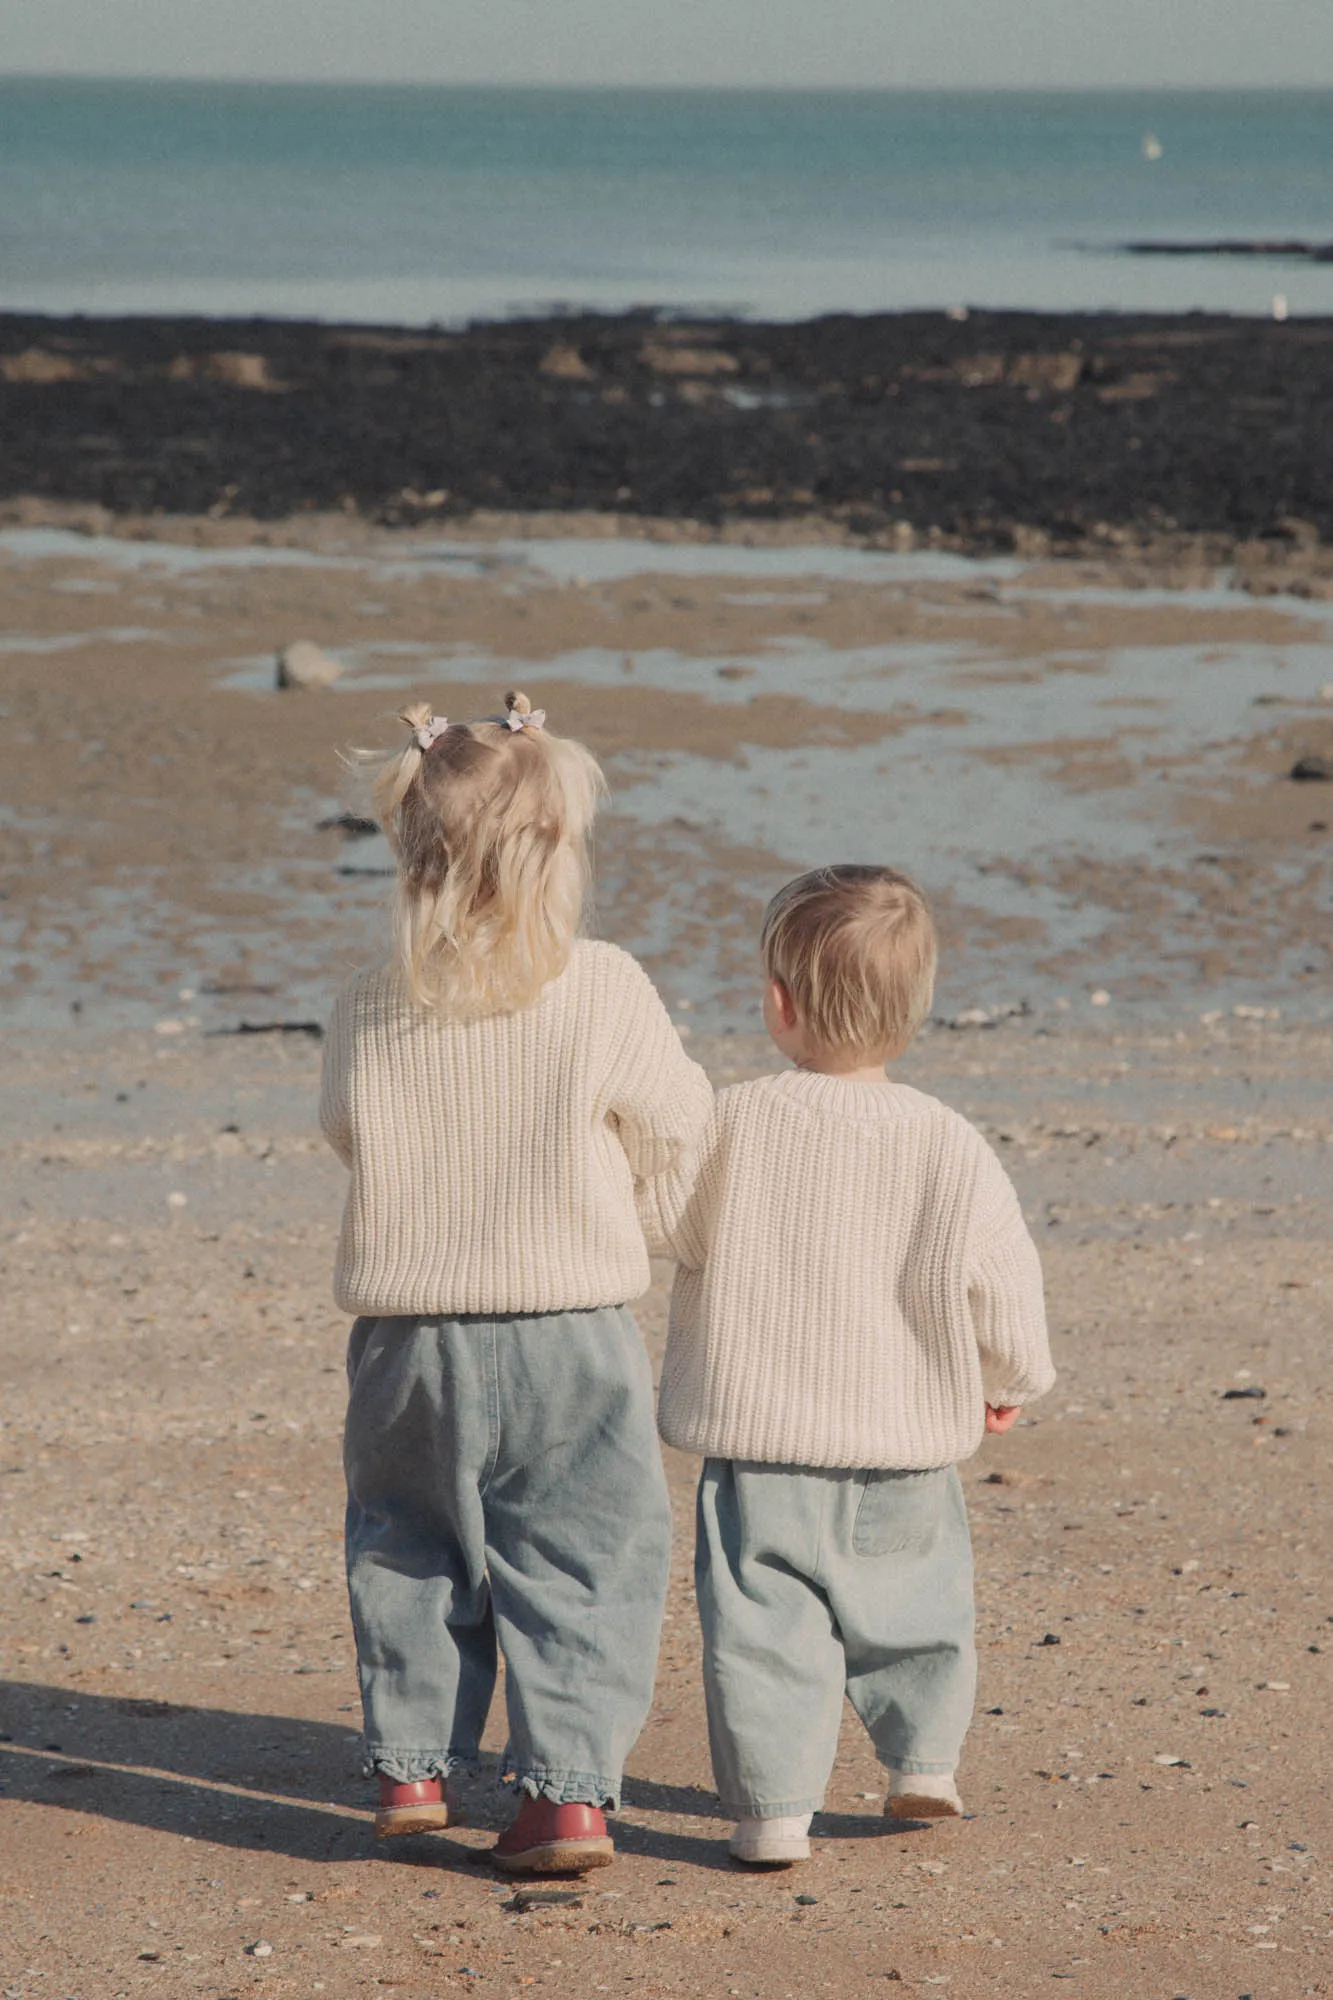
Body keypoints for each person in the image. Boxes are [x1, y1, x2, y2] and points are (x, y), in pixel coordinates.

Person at [320, 692, 712, 1875]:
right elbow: (682, 1123)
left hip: (406, 1333)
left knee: (407, 1540)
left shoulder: (368, 996)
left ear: (408, 848)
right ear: (558, 854)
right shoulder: (599, 984)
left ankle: (412, 1764)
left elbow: (347, 1128)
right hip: (567, 1330)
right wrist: (644, 1225)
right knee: (584, 1554)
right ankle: (565, 1799)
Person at [649, 864, 1054, 1866]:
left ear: (778, 1003)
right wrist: (1010, 1378)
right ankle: (923, 1764)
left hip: (763, 1443)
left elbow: (672, 1228)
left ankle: (772, 1812)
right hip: (903, 1440)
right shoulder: (946, 1140)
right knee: (917, 1607)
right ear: (917, 1010)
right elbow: (1003, 1280)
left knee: (763, 1632)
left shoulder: (732, 1120)